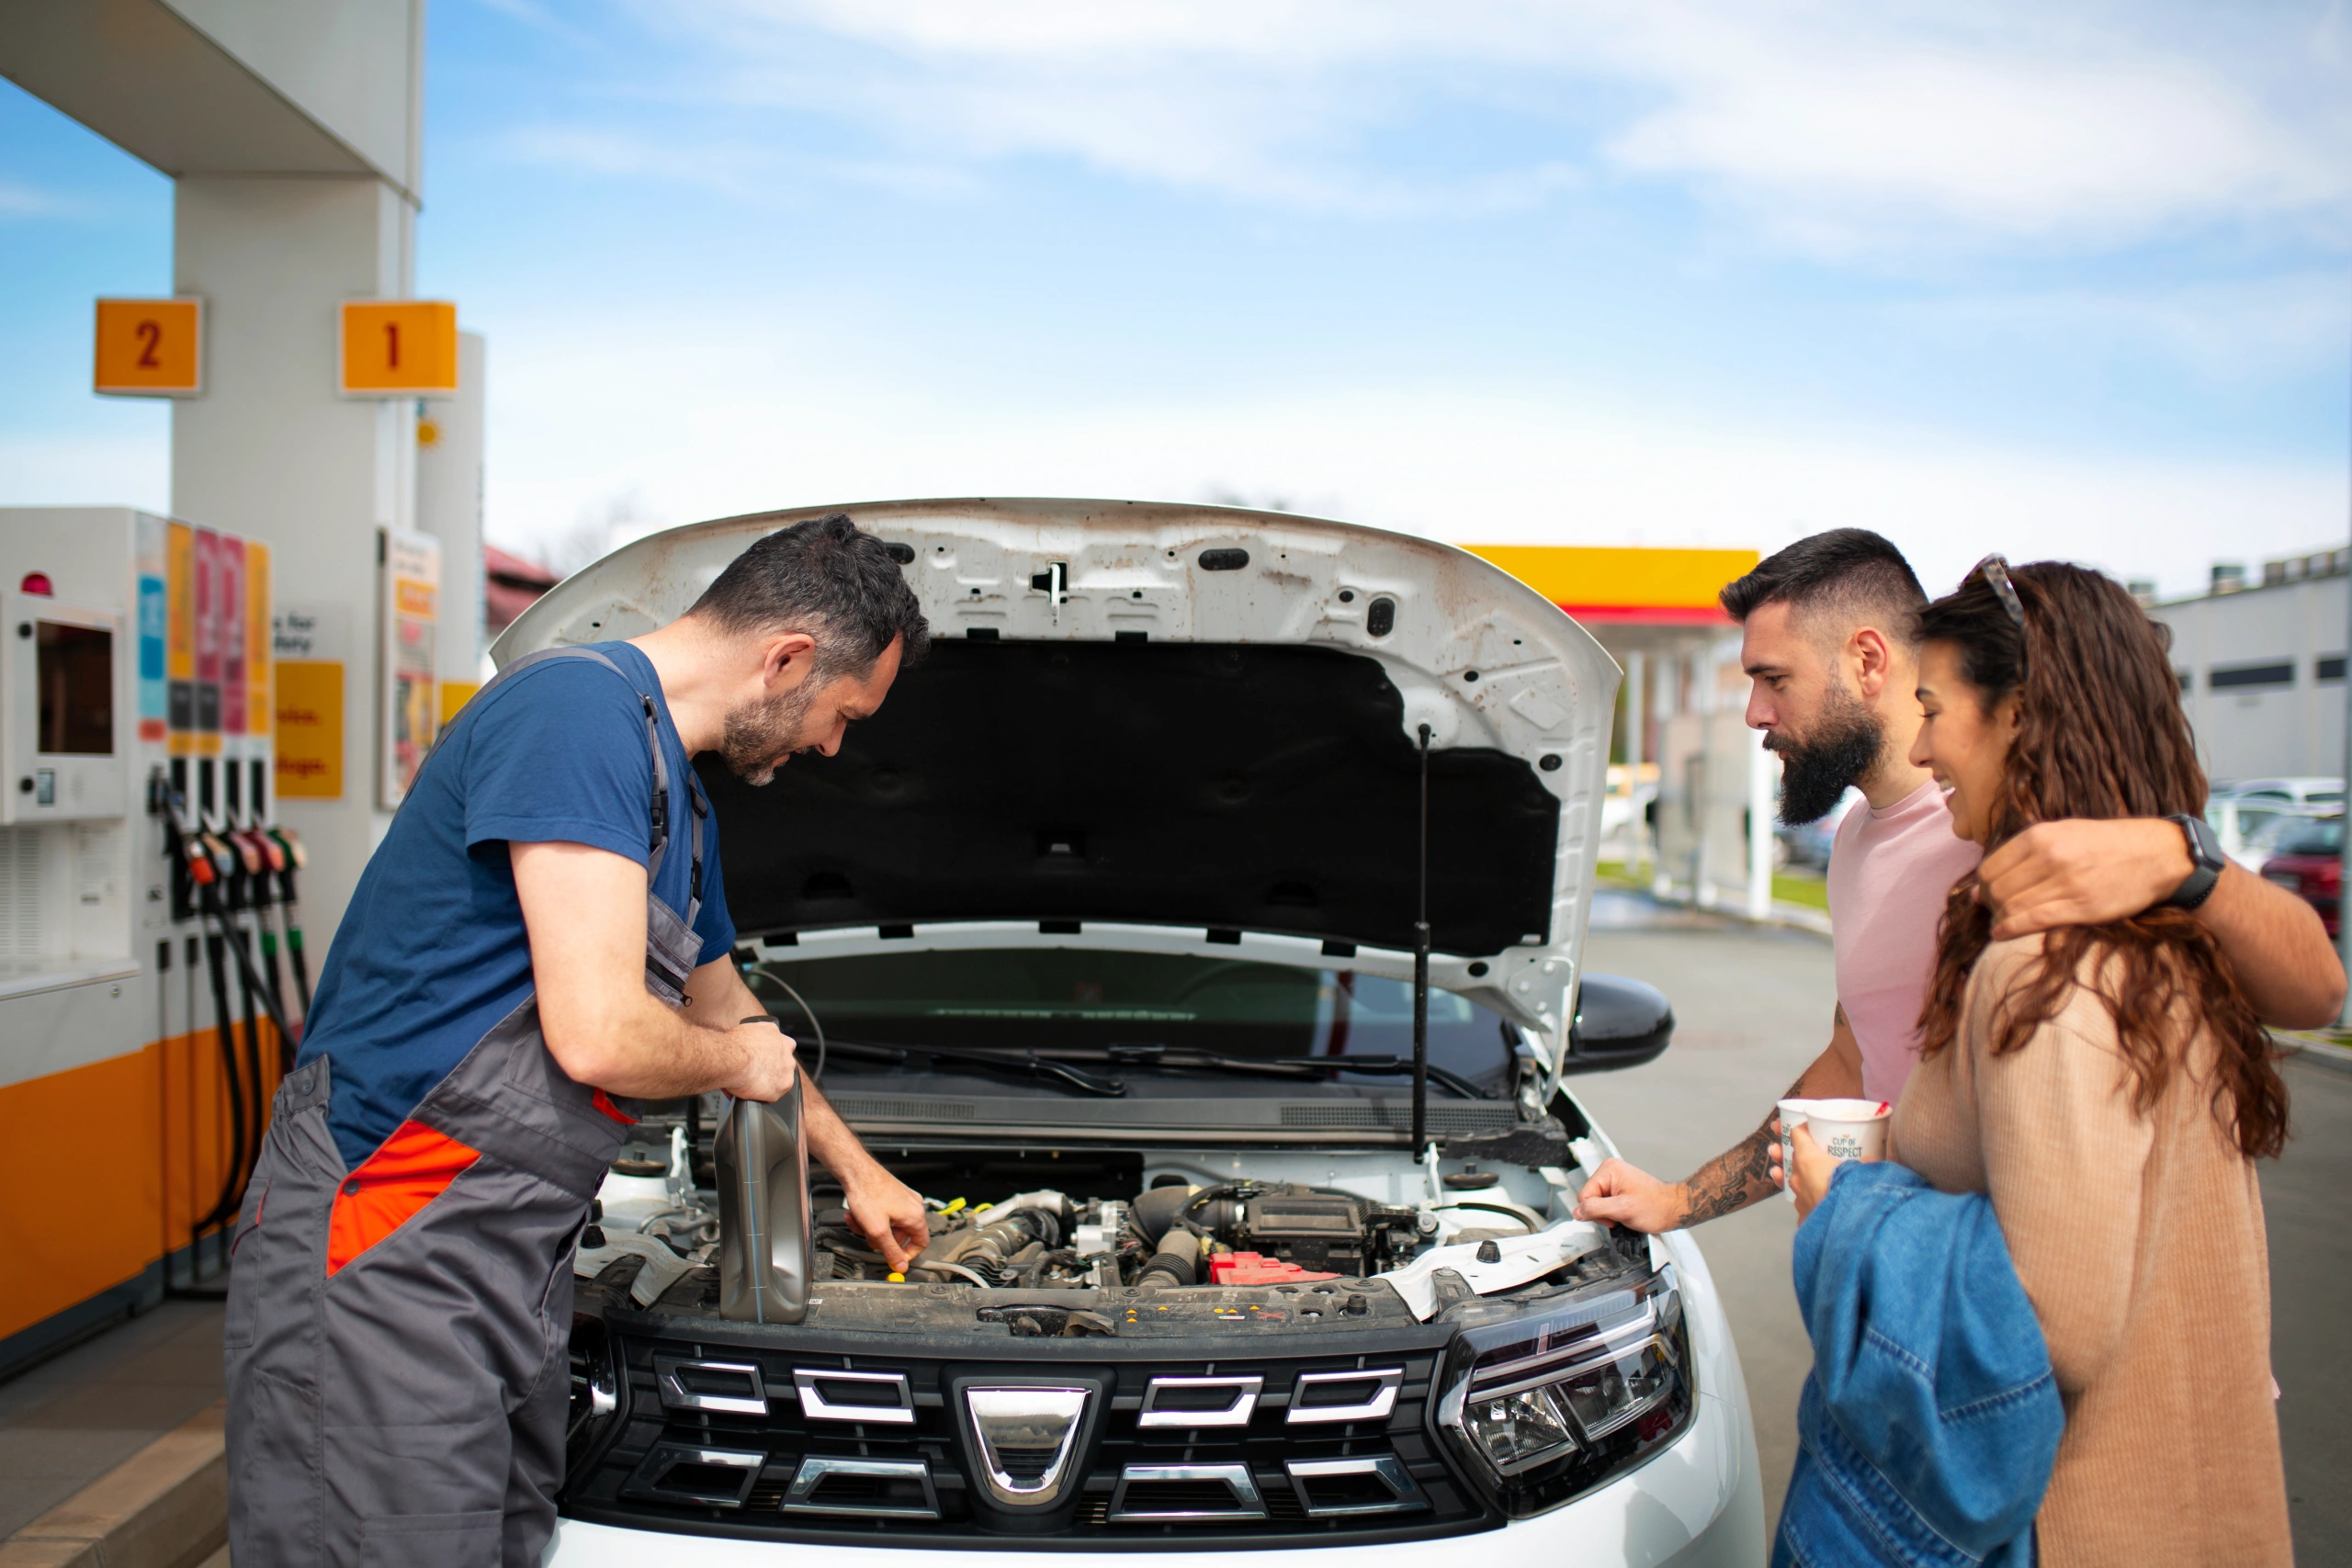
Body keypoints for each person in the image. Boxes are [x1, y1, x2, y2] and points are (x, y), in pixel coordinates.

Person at [222, 513, 935, 1567]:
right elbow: (601, 1034)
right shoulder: (572, 714)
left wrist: (860, 1173)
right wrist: (739, 1066)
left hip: (502, 1260)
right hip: (389, 1235)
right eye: (840, 713)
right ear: (785, 659)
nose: (832, 745)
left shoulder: (673, 800)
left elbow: (734, 1016)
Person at [1577, 529, 2341, 1233]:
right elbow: (1853, 1059)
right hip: (1935, 1323)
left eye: (1773, 678)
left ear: (1869, 660)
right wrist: (1680, 1200)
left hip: (2057, 1335)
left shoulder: (2021, 824)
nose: (1753, 713)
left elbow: (2315, 993)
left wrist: (2184, 856)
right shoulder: (1853, 842)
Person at [1785, 558, 2291, 1564]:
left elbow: (2052, 1319)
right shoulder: (2160, 931)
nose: (1922, 746)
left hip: (2075, 1516)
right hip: (2193, 1485)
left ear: (2017, 715)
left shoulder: (2040, 969)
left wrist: (1848, 1206)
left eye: (1934, 710)